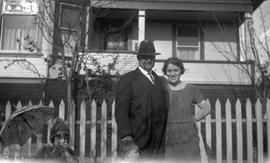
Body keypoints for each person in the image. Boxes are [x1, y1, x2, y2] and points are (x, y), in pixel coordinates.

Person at [115, 40, 168, 160]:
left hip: (158, 140)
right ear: (139, 58)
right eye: (145, 57)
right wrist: (126, 136)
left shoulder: (160, 81)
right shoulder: (128, 79)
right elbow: (121, 110)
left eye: (151, 57)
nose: (149, 60)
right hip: (138, 139)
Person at [162, 57, 211, 162]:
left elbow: (206, 108)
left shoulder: (192, 89)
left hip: (188, 136)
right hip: (168, 135)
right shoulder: (162, 90)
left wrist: (193, 119)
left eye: (176, 70)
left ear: (181, 71)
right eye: (169, 71)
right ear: (165, 73)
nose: (173, 74)